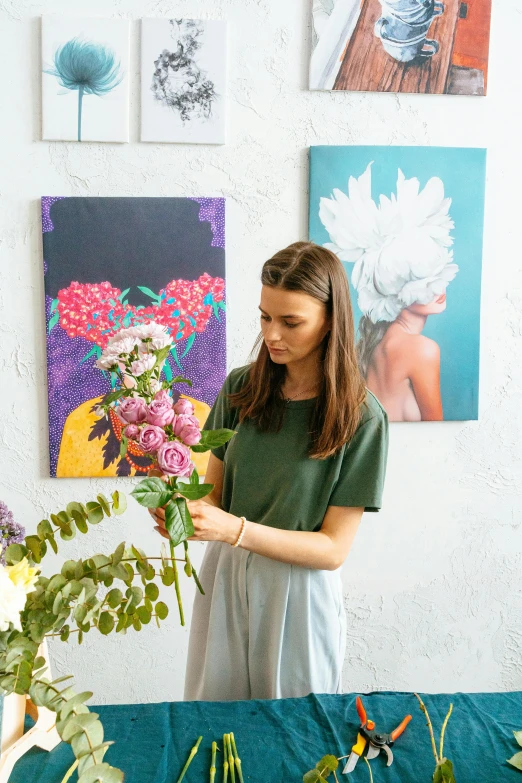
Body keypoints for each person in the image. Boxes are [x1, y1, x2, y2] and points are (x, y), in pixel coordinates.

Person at [149, 241, 389, 701]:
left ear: (330, 319)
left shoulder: (361, 418)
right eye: (265, 316)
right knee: (214, 720)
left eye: (290, 322)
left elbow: (334, 548)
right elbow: (212, 499)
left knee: (294, 733)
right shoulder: (242, 388)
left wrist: (233, 529)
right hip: (223, 575)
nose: (272, 335)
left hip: (298, 594)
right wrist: (185, 516)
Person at [318, 162, 458, 422]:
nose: (440, 288)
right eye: (422, 279)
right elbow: (437, 432)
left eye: (439, 274)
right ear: (394, 291)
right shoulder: (422, 349)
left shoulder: (374, 345)